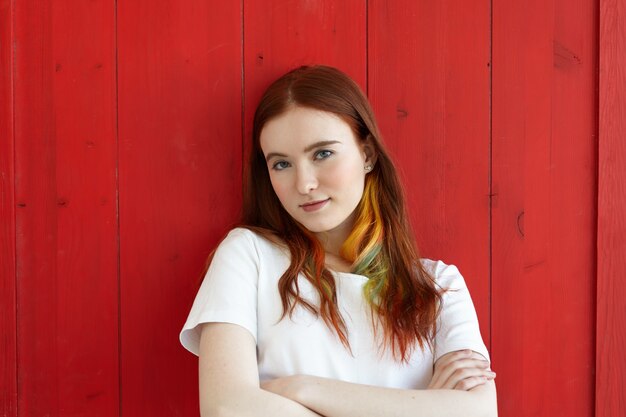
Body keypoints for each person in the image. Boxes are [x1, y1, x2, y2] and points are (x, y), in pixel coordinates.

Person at [180, 65, 497, 417]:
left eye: (322, 154)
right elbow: (227, 408)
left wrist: (301, 388)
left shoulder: (439, 287)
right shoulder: (247, 256)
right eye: (281, 164)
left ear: (367, 155)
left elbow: (478, 412)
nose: (304, 184)